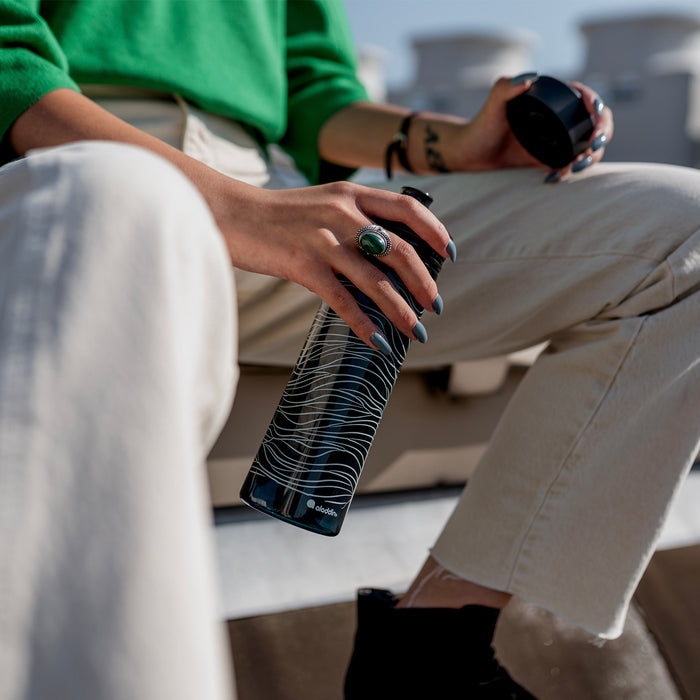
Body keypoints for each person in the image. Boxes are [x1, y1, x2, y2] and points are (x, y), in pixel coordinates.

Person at [1, 1, 699, 698]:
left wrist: (451, 146)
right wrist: (235, 209)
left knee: (682, 232)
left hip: (277, 198)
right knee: (120, 194)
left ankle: (432, 650)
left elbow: (315, 89)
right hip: (64, 169)